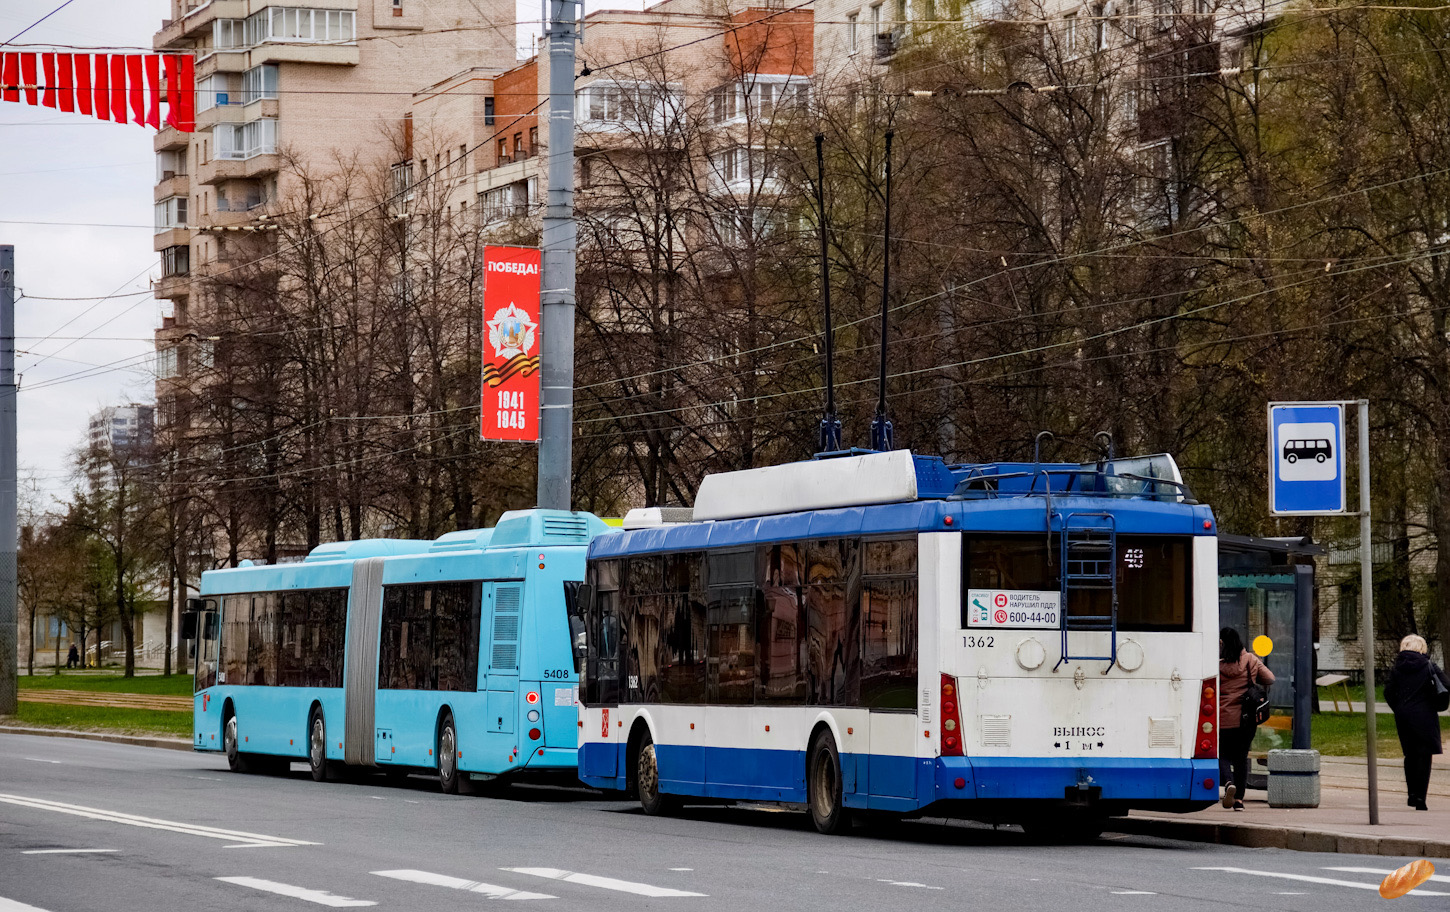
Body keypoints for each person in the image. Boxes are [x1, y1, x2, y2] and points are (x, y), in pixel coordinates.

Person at [1384, 634, 1450, 811]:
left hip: (1403, 716)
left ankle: (1411, 794)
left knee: (1410, 755)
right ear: (1422, 648)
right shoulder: (1428, 665)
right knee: (1424, 756)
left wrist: (1399, 708)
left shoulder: (1397, 668)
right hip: (1425, 716)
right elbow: (1446, 684)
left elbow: (1388, 692)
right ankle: (1421, 797)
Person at [1219, 626, 1275, 811]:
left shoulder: (1217, 665)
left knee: (1222, 755)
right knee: (1241, 758)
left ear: (1222, 644)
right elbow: (1270, 679)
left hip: (1224, 718)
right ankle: (1239, 801)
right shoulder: (1251, 660)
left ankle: (1228, 783)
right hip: (1246, 720)